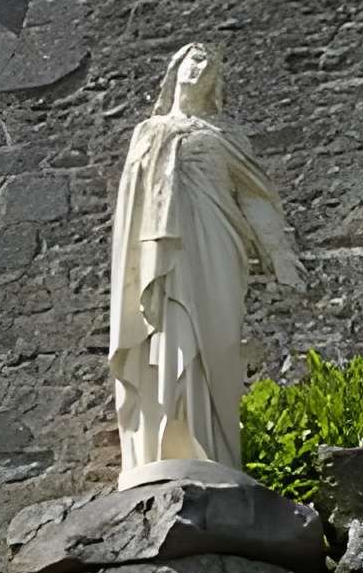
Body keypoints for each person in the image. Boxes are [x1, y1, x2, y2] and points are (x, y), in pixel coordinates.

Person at [107, 43, 303, 486]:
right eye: (193, 59)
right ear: (175, 70)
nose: (201, 67)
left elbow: (256, 199)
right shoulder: (149, 132)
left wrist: (280, 256)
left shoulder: (226, 136)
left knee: (216, 346)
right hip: (163, 252)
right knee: (167, 337)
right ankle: (162, 447)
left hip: (216, 247)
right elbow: (131, 208)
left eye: (210, 63)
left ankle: (216, 451)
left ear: (217, 80)